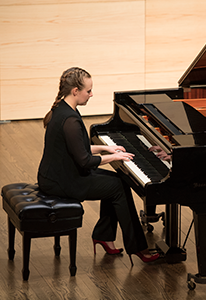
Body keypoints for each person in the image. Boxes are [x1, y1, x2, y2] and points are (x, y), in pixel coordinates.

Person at [37, 67, 159, 266]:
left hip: (55, 175)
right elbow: (84, 161)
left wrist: (106, 148)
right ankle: (138, 248)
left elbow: (78, 148)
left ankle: (104, 235)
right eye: (88, 90)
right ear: (75, 91)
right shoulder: (70, 120)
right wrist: (113, 157)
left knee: (118, 181)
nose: (91, 94)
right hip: (63, 182)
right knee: (118, 187)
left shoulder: (62, 109)